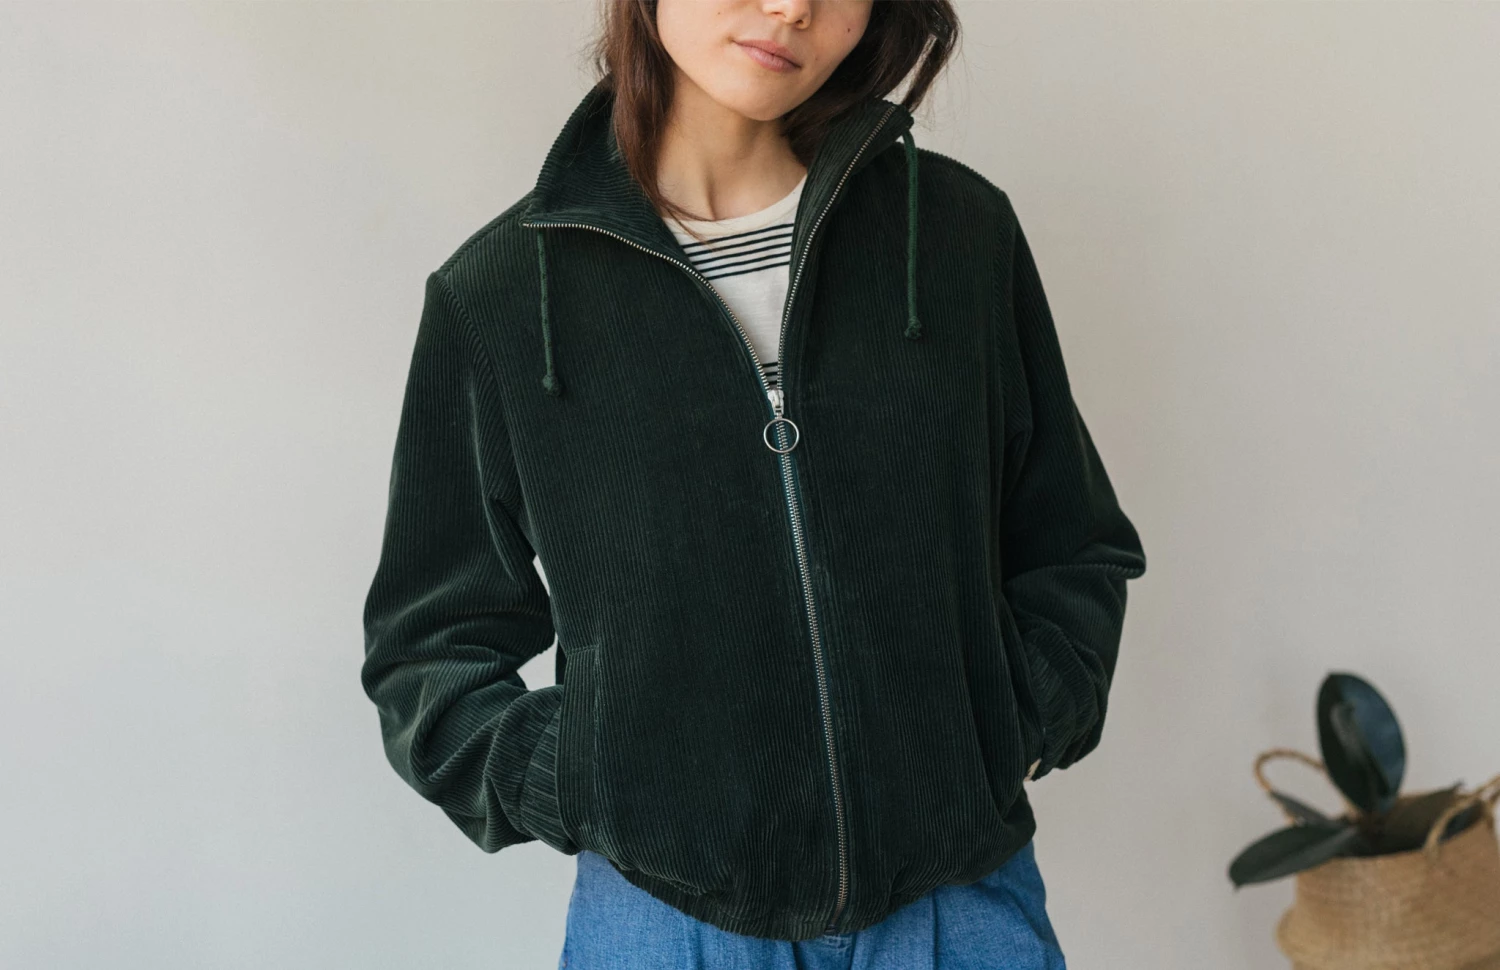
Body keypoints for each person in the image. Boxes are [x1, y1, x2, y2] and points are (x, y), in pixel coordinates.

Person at [361, 1, 1147, 967]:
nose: (794, 7)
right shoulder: (502, 297)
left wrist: (1017, 721)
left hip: (958, 904)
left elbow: (1071, 540)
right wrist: (588, 781)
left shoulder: (954, 233)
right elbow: (428, 649)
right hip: (670, 925)